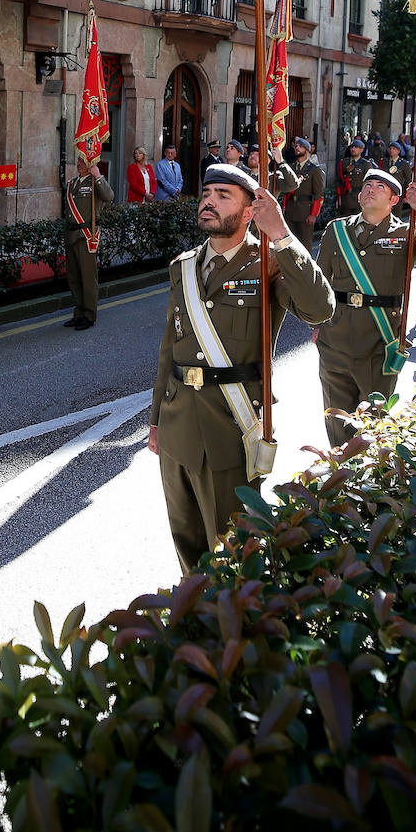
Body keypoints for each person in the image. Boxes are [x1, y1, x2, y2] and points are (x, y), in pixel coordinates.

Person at [147, 164, 334, 573]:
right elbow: (169, 349)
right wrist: (156, 419)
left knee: (233, 546)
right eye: (207, 192)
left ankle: (229, 624)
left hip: (232, 424)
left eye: (224, 195)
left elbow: (321, 310)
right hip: (178, 422)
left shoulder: (268, 262)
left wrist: (282, 236)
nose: (209, 200)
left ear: (250, 212)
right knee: (186, 540)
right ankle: (194, 618)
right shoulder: (183, 267)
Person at [314, 169, 416, 448]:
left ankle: (367, 483)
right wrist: (315, 325)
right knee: (336, 420)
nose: (371, 189)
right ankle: (339, 476)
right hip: (334, 339)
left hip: (380, 342)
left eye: (380, 187)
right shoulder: (336, 230)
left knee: (374, 421)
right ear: (360, 196)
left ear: (395, 199)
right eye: (367, 185)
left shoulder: (407, 233)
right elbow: (319, 283)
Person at [64, 156, 113, 329]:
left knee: (87, 277)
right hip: (71, 234)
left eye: (83, 161)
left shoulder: (95, 183)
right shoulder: (72, 183)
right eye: (78, 160)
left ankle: (89, 315)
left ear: (92, 164)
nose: (79, 164)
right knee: (74, 277)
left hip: (86, 235)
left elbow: (109, 196)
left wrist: (98, 176)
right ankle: (78, 312)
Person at [283, 136, 324, 250]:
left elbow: (318, 195)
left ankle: (306, 267)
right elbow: (285, 190)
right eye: (296, 146)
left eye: (300, 146)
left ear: (306, 150)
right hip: (291, 210)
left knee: (305, 244)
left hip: (305, 211)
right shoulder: (290, 168)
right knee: (290, 244)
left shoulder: (314, 170)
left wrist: (313, 214)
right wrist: (284, 208)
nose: (297, 148)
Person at [336, 136, 370, 215]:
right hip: (346, 197)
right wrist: (338, 197)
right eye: (352, 147)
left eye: (356, 147)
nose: (353, 149)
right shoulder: (344, 162)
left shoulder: (366, 164)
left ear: (361, 150)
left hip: (359, 197)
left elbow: (369, 181)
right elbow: (339, 179)